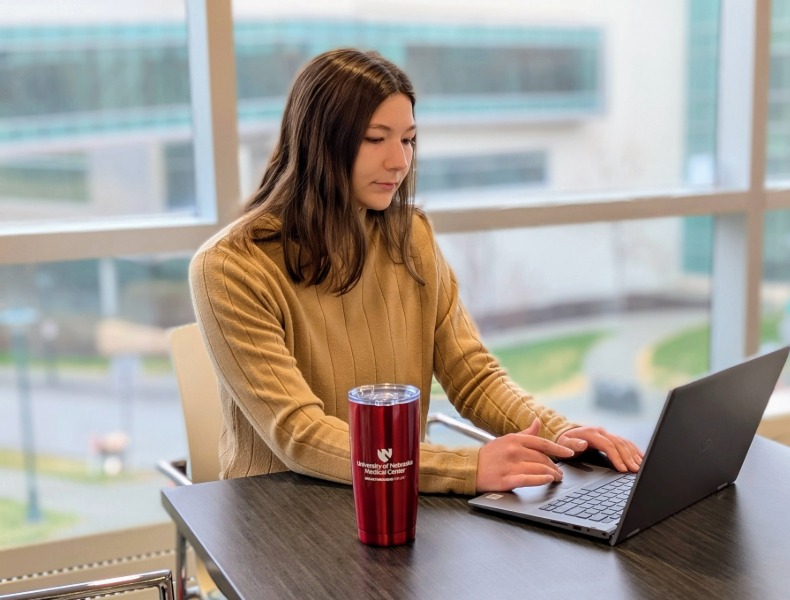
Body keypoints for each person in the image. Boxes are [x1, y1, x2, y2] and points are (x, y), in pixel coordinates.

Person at [190, 48, 643, 495]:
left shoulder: (411, 236)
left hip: (396, 494)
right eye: (375, 138)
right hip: (282, 516)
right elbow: (299, 435)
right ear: (319, 141)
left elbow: (473, 375)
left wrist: (564, 436)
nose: (399, 161)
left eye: (407, 139)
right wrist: (467, 467)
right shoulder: (230, 268)